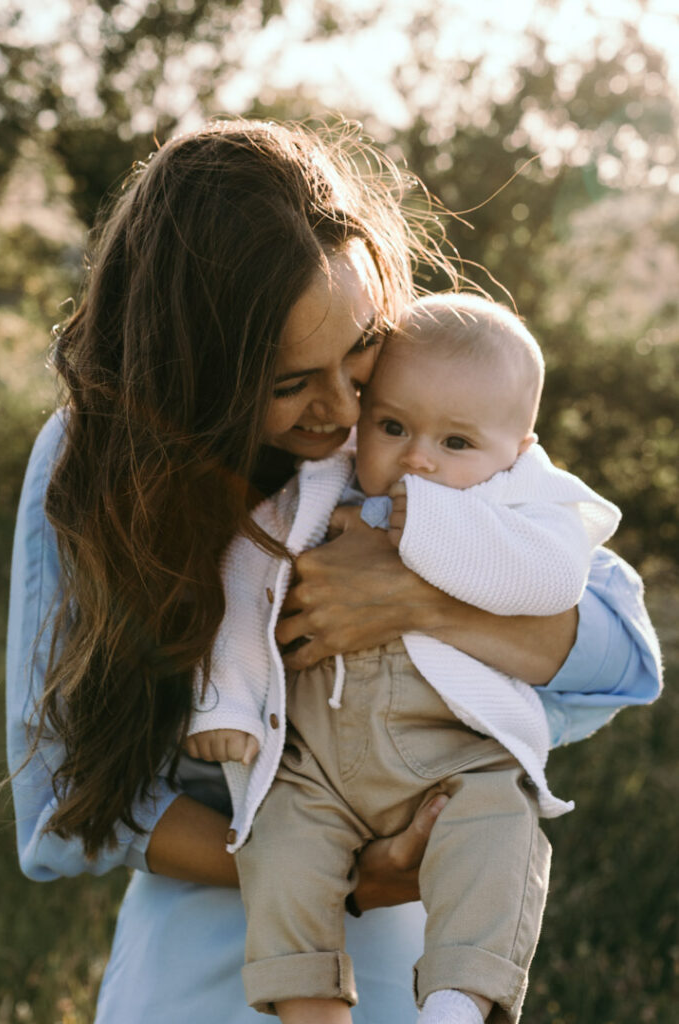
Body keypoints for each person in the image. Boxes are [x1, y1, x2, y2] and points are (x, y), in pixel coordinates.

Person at [6, 120, 661, 1024]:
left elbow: (621, 654)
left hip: (416, 922)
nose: (345, 408)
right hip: (225, 903)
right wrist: (335, 875)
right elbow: (61, 816)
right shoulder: (91, 464)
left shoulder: (412, 406)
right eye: (288, 383)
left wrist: (414, 600)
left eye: (359, 349)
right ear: (197, 375)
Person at [185, 293, 622, 1024]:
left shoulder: (525, 503)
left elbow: (552, 578)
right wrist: (226, 700)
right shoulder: (323, 488)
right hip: (317, 760)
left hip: (450, 759)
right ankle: (309, 1007)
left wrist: (430, 528)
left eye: (455, 444)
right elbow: (244, 576)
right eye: (392, 425)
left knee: (498, 831)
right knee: (279, 848)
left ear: (517, 449)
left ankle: (457, 1002)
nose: (417, 456)